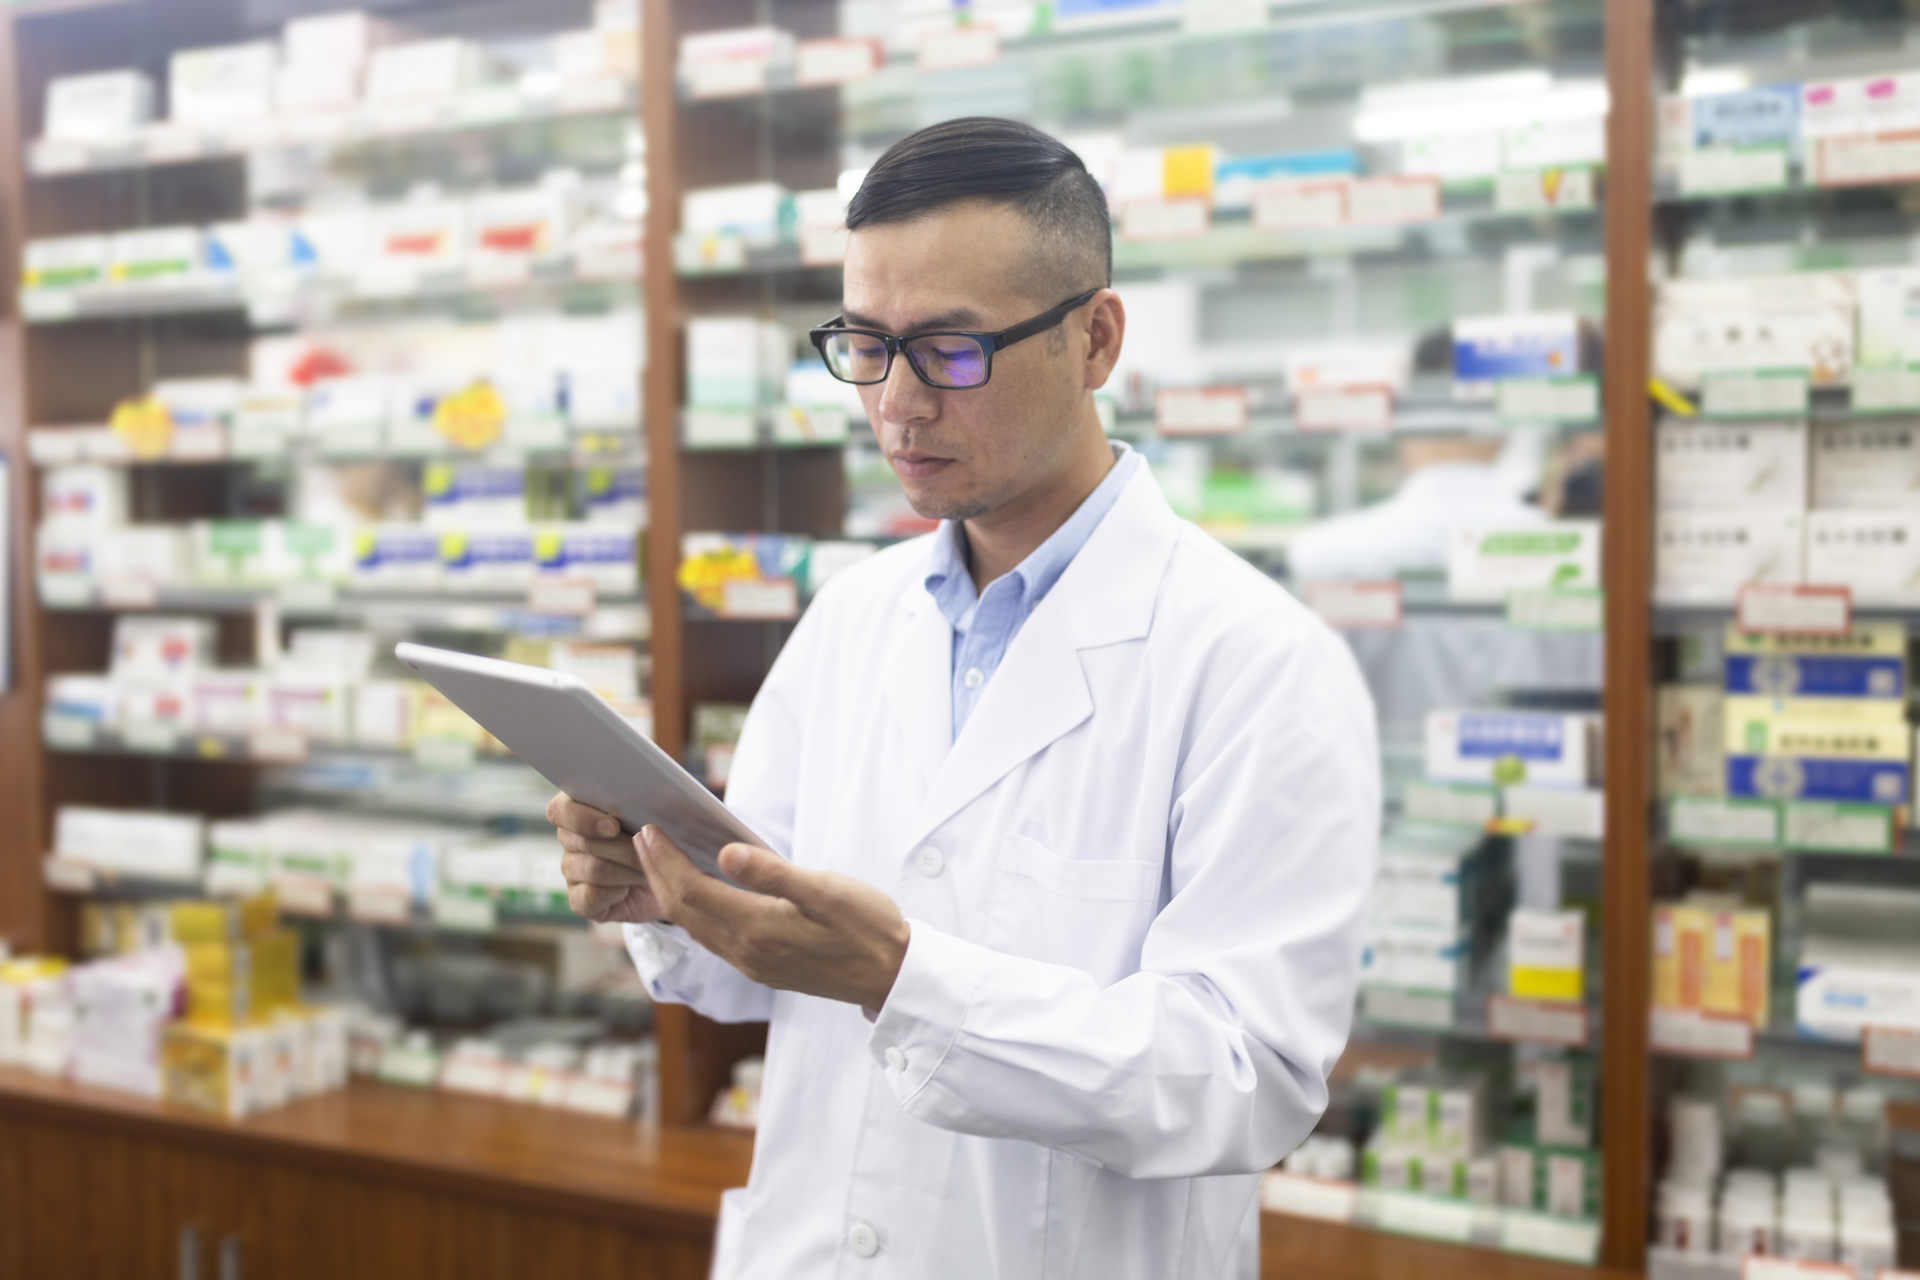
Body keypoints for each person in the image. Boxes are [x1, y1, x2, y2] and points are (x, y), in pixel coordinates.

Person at [548, 116, 1380, 1280]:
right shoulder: (854, 614)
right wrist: (668, 889)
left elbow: (1245, 1078)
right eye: (865, 344)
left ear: (1095, 338)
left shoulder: (1256, 661)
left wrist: (904, 976)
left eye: (949, 349)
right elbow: (761, 966)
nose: (897, 403)